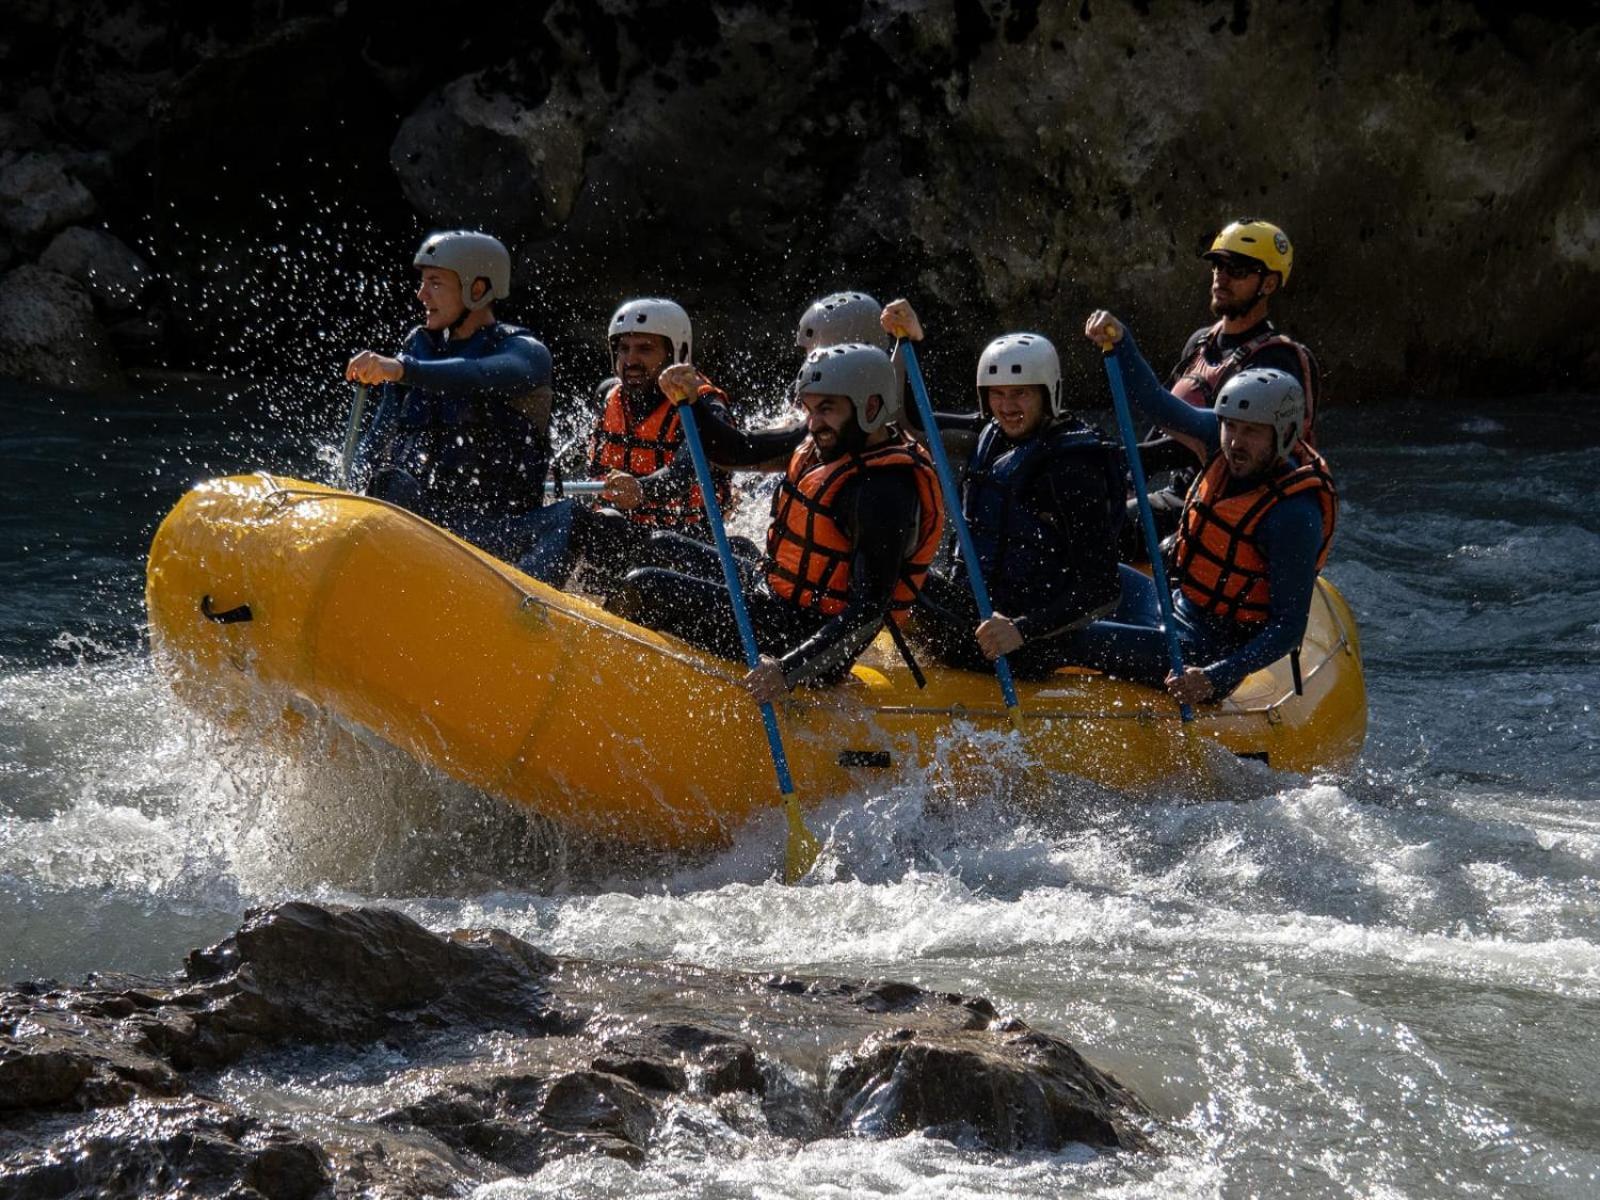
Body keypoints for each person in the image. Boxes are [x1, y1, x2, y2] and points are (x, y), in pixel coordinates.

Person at [609, 343, 943, 704]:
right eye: (810, 409)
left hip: (803, 635)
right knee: (659, 545)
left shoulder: (884, 492)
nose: (814, 423)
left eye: (827, 409)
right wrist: (690, 403)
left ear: (871, 407)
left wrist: (786, 671)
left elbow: (868, 612)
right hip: (773, 593)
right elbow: (736, 451)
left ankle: (604, 683)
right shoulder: (828, 437)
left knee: (647, 587)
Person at [1068, 311, 1337, 706]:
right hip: (1173, 607)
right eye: (1231, 426)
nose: (1235, 442)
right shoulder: (1220, 437)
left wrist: (1214, 678)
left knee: (1076, 640)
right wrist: (1122, 342)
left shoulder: (1294, 515)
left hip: (1203, 653)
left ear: (1284, 434)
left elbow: (1288, 629)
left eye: (1251, 432)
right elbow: (1158, 404)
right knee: (1078, 571)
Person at [880, 300, 1126, 678]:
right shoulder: (989, 434)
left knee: (885, 580)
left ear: (1047, 394)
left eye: (1021, 394)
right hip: (978, 613)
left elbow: (1103, 589)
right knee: (882, 563)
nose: (1007, 406)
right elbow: (907, 421)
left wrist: (1020, 631)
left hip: (1026, 642)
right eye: (998, 394)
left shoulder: (1072, 468)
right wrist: (907, 340)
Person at [345, 230, 553, 558]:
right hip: (429, 523)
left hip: (494, 535)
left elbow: (478, 374)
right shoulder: (419, 346)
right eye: (423, 282)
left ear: (478, 288)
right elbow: (377, 439)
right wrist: (344, 493)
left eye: (436, 283)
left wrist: (403, 369)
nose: (421, 294)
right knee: (389, 483)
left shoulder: (526, 352)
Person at [1131, 217, 1322, 554]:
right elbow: (1165, 419)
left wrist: (1133, 460)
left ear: (1268, 284)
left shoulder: (1275, 361)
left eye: (1237, 270)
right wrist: (1127, 474)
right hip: (1182, 494)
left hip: (1231, 509)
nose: (1221, 276)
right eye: (1218, 266)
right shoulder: (1200, 343)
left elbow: (1226, 443)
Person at [518, 297, 736, 591]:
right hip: (625, 533)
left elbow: (686, 474)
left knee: (604, 523)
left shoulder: (706, 407)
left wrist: (643, 489)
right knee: (575, 515)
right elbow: (592, 466)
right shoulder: (608, 395)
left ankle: (534, 595)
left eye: (645, 349)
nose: (630, 360)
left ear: (676, 354)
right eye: (623, 349)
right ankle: (526, 584)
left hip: (685, 543)